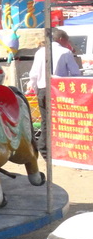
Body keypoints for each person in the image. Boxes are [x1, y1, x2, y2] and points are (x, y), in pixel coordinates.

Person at [29, 28, 81, 157]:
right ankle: (48, 147)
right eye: (67, 41)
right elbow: (75, 73)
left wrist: (35, 89)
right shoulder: (65, 52)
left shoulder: (40, 52)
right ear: (61, 39)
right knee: (62, 121)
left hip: (42, 89)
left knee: (45, 121)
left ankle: (44, 148)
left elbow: (33, 74)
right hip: (58, 90)